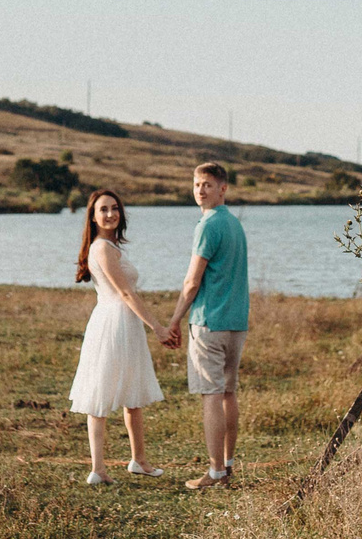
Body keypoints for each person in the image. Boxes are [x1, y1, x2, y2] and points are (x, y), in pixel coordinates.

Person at [67, 189, 166, 483]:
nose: (110, 214)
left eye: (114, 208)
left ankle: (139, 460)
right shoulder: (102, 248)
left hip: (121, 322)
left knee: (131, 394)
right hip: (114, 322)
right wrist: (157, 326)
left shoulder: (109, 246)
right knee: (100, 392)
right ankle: (98, 469)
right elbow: (125, 292)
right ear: (93, 217)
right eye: (103, 210)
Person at [161, 161, 248, 488]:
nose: (200, 190)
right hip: (237, 323)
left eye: (208, 185)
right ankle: (227, 465)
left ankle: (215, 473)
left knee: (212, 395)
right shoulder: (236, 225)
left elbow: (192, 282)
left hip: (210, 323)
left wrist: (174, 320)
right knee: (228, 392)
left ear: (222, 189)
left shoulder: (208, 225)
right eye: (197, 184)